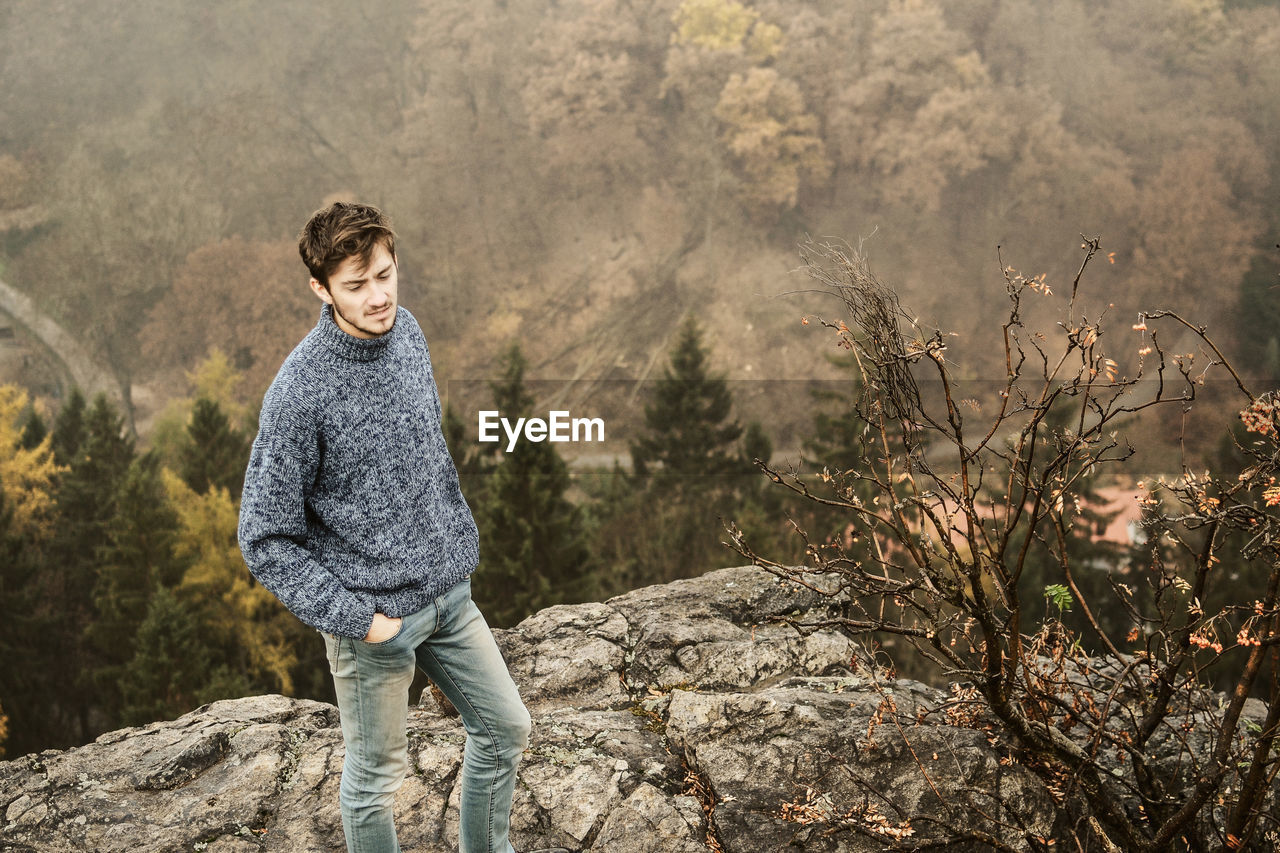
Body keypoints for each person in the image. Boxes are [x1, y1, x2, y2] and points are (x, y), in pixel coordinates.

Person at [238, 202, 565, 853]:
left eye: (385, 274)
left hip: (450, 597)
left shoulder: (408, 332)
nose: (378, 295)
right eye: (356, 285)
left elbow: (426, 452)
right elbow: (265, 537)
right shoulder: (299, 392)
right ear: (321, 288)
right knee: (374, 781)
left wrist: (451, 547)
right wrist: (362, 619)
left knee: (505, 728)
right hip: (374, 621)